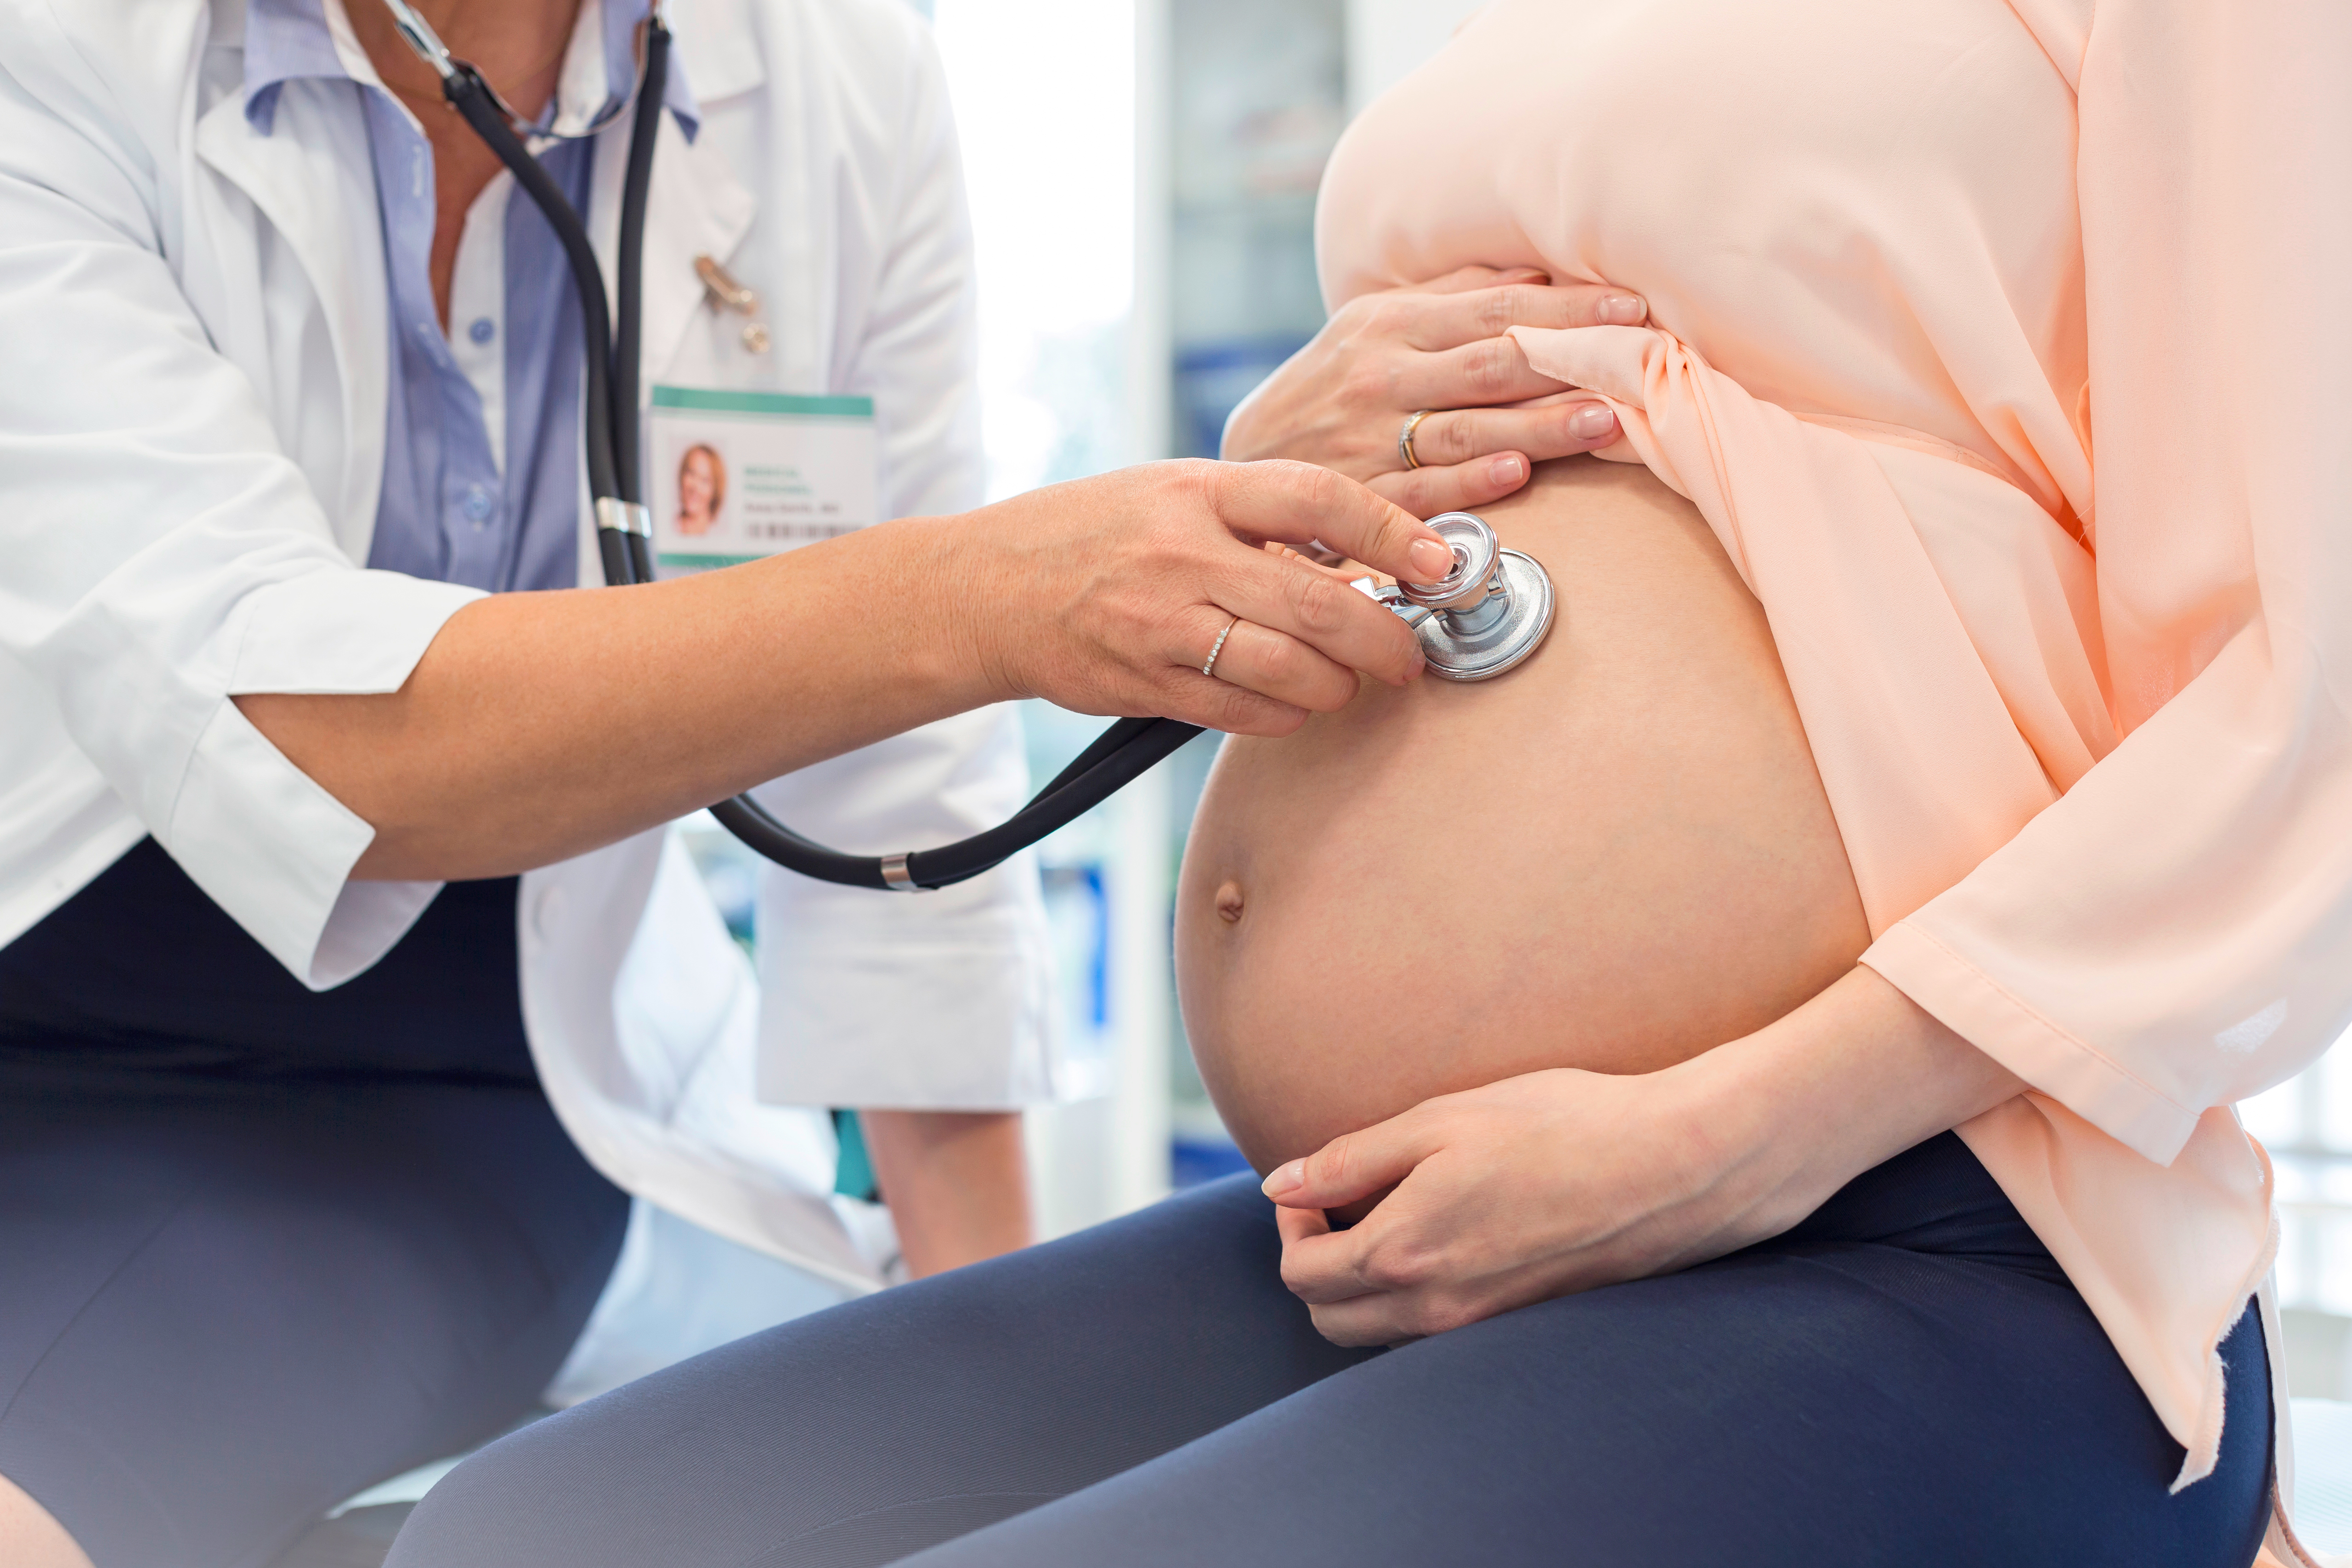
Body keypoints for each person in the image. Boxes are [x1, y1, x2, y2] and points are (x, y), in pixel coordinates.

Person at [384, 0, 2348, 1565]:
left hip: (1912, 1208)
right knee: (533, 1527)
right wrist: (1288, 448)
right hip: (1396, 1231)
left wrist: (1723, 1132)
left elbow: (2307, 686)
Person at [0, 1, 1496, 1565]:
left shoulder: (834, 70)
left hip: (477, 1093)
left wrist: (1007, 1369)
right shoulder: (60, 51)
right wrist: (982, 597)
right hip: (54, 1031)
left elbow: (908, 795)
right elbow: (297, 722)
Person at [674, 443, 726, 537]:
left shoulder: (720, 537)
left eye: (705, 480)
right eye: (692, 474)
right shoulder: (665, 528)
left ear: (715, 490)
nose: (696, 487)